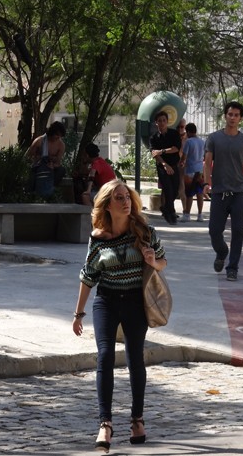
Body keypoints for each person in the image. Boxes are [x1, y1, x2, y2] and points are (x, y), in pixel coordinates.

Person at [72, 179, 167, 452]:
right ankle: (105, 424)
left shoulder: (145, 231)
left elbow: (163, 261)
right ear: (107, 205)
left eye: (127, 197)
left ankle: (137, 419)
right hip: (107, 301)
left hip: (136, 303)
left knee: (135, 357)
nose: (126, 202)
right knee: (105, 356)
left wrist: (152, 261)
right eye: (118, 198)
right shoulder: (98, 238)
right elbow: (88, 276)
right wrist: (78, 313)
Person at [203, 101, 243, 282]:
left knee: (238, 231)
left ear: (240, 118)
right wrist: (206, 183)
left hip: (239, 194)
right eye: (230, 114)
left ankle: (232, 267)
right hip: (219, 192)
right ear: (225, 116)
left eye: (236, 115)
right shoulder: (213, 138)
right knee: (214, 231)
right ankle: (222, 252)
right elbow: (207, 163)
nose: (233, 118)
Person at [149, 111, 181, 225]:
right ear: (156, 123)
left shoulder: (173, 134)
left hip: (174, 165)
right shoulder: (154, 138)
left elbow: (176, 148)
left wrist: (162, 151)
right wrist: (164, 164)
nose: (162, 123)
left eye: (164, 120)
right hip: (162, 167)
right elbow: (154, 154)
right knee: (168, 189)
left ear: (167, 122)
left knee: (176, 190)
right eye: (159, 121)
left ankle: (166, 208)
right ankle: (171, 213)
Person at [25, 121, 67, 191]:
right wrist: (37, 160)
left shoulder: (61, 145)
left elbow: (58, 162)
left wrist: (52, 165)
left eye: (60, 136)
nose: (58, 137)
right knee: (31, 175)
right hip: (37, 166)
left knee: (61, 170)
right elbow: (28, 157)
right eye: (56, 134)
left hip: (51, 168)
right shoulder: (39, 141)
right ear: (52, 132)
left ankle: (50, 189)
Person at [180, 122, 208, 222]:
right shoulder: (202, 141)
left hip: (190, 170)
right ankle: (200, 215)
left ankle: (187, 214)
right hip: (199, 170)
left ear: (187, 131)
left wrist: (181, 163)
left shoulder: (188, 142)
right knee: (199, 193)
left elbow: (184, 156)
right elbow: (205, 155)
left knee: (189, 193)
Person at [176, 118, 188, 216]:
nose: (180, 129)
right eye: (178, 127)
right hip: (174, 164)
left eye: (182, 127)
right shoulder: (172, 136)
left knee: (182, 188)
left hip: (183, 165)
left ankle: (185, 210)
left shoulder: (187, 138)